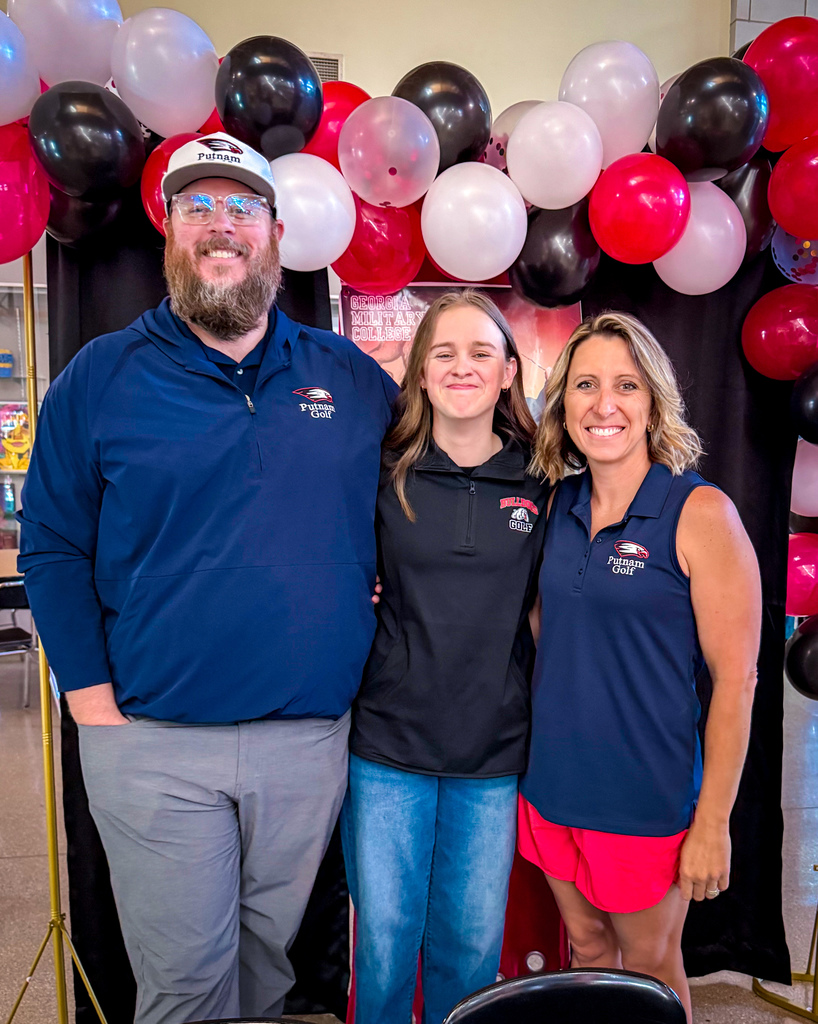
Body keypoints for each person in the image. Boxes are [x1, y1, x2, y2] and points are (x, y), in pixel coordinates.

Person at [18, 132, 398, 1024]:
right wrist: (89, 700)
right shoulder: (99, 378)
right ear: (168, 232)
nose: (220, 227)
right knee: (187, 987)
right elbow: (51, 544)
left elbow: (413, 499)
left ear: (273, 233)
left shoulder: (345, 375)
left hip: (308, 741)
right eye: (198, 208)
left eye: (240, 209)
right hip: (152, 743)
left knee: (265, 970)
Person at [519, 312, 761, 1022]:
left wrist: (712, 821)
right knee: (587, 951)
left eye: (626, 386)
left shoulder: (700, 513)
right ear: (563, 402)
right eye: (586, 384)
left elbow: (737, 683)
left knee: (652, 973)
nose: (605, 404)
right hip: (552, 787)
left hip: (644, 804)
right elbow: (543, 626)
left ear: (653, 402)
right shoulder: (558, 505)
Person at [342, 291, 550, 1024]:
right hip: (387, 745)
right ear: (421, 375)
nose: (463, 367)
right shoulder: (380, 469)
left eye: (480, 353)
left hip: (491, 751)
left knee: (470, 945)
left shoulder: (544, 480)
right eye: (444, 353)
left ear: (507, 374)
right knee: (386, 945)